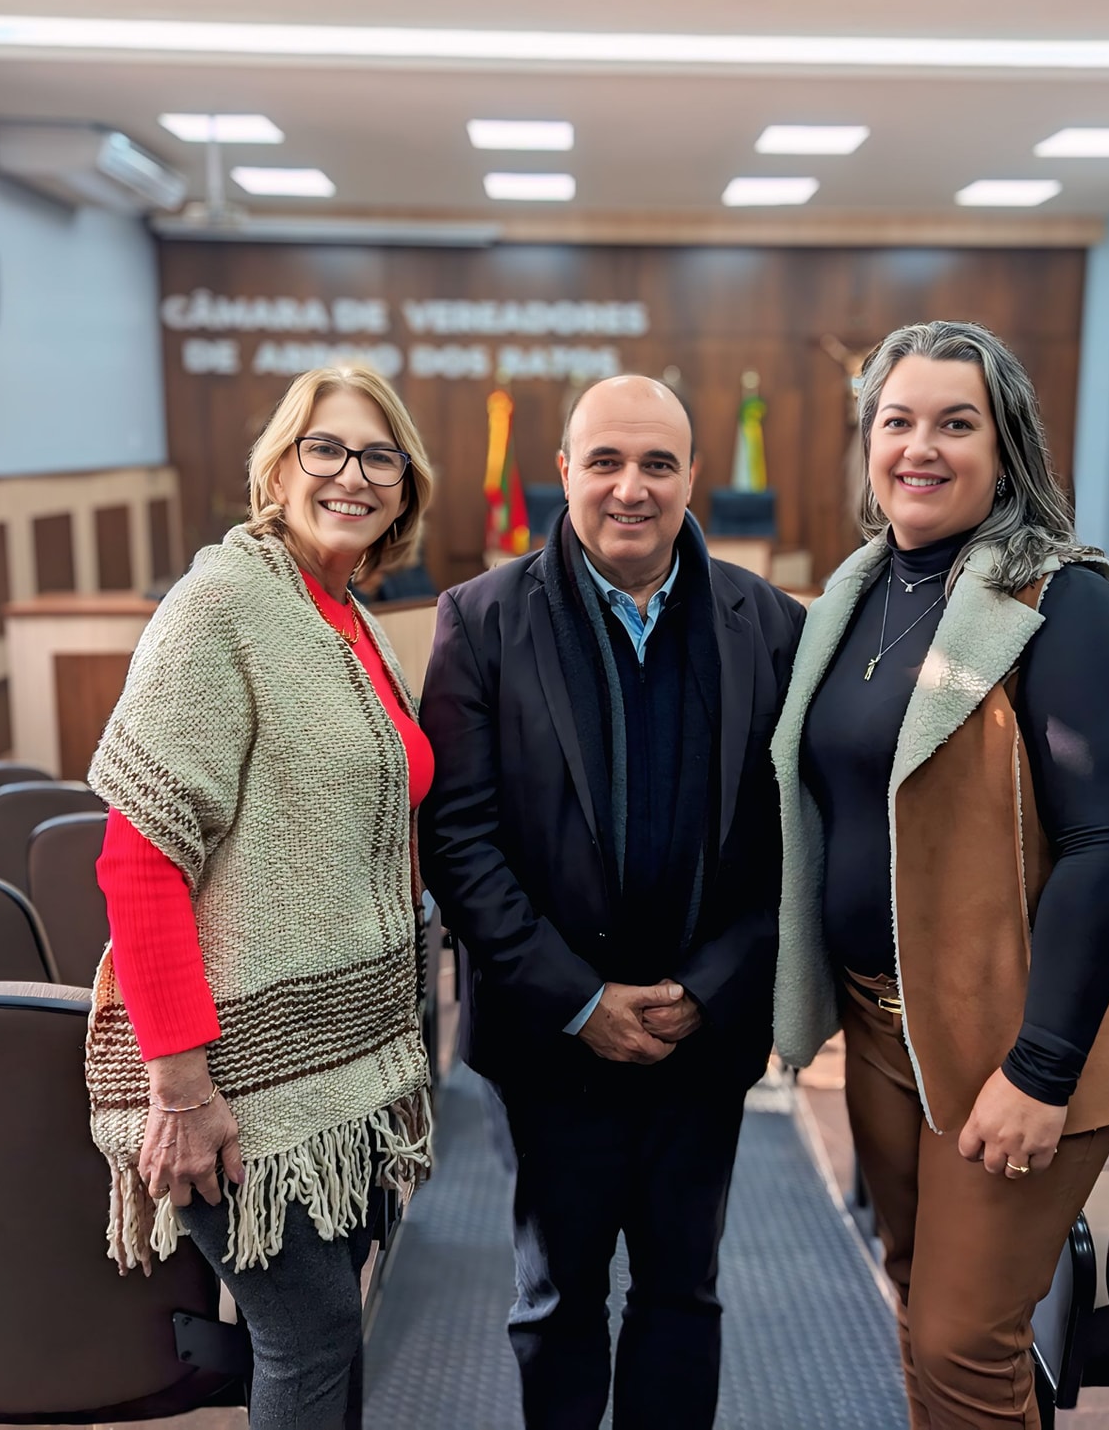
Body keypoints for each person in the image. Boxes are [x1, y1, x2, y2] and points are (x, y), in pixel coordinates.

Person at [772, 321, 1109, 1430]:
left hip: (1016, 1033)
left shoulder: (1062, 602)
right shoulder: (856, 593)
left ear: (1006, 450)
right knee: (921, 1303)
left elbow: (1104, 850)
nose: (921, 446)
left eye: (956, 423)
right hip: (880, 1028)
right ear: (867, 442)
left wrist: (1040, 1071)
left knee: (963, 1342)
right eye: (896, 421)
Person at [420, 374, 805, 1430]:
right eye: (605, 461)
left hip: (702, 1039)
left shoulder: (772, 624)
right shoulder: (481, 620)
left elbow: (794, 844)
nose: (630, 487)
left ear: (692, 477)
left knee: (683, 1295)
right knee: (557, 1302)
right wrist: (581, 1000)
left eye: (657, 464)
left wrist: (709, 986)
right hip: (550, 1042)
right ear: (564, 472)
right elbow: (458, 841)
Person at [82, 364, 438, 1430]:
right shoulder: (220, 606)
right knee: (308, 1335)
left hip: (343, 1063)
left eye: (379, 456)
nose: (352, 474)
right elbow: (139, 861)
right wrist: (181, 1088)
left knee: (335, 1331)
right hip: (238, 1082)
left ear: (404, 488)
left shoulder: (343, 613)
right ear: (277, 468)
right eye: (324, 448)